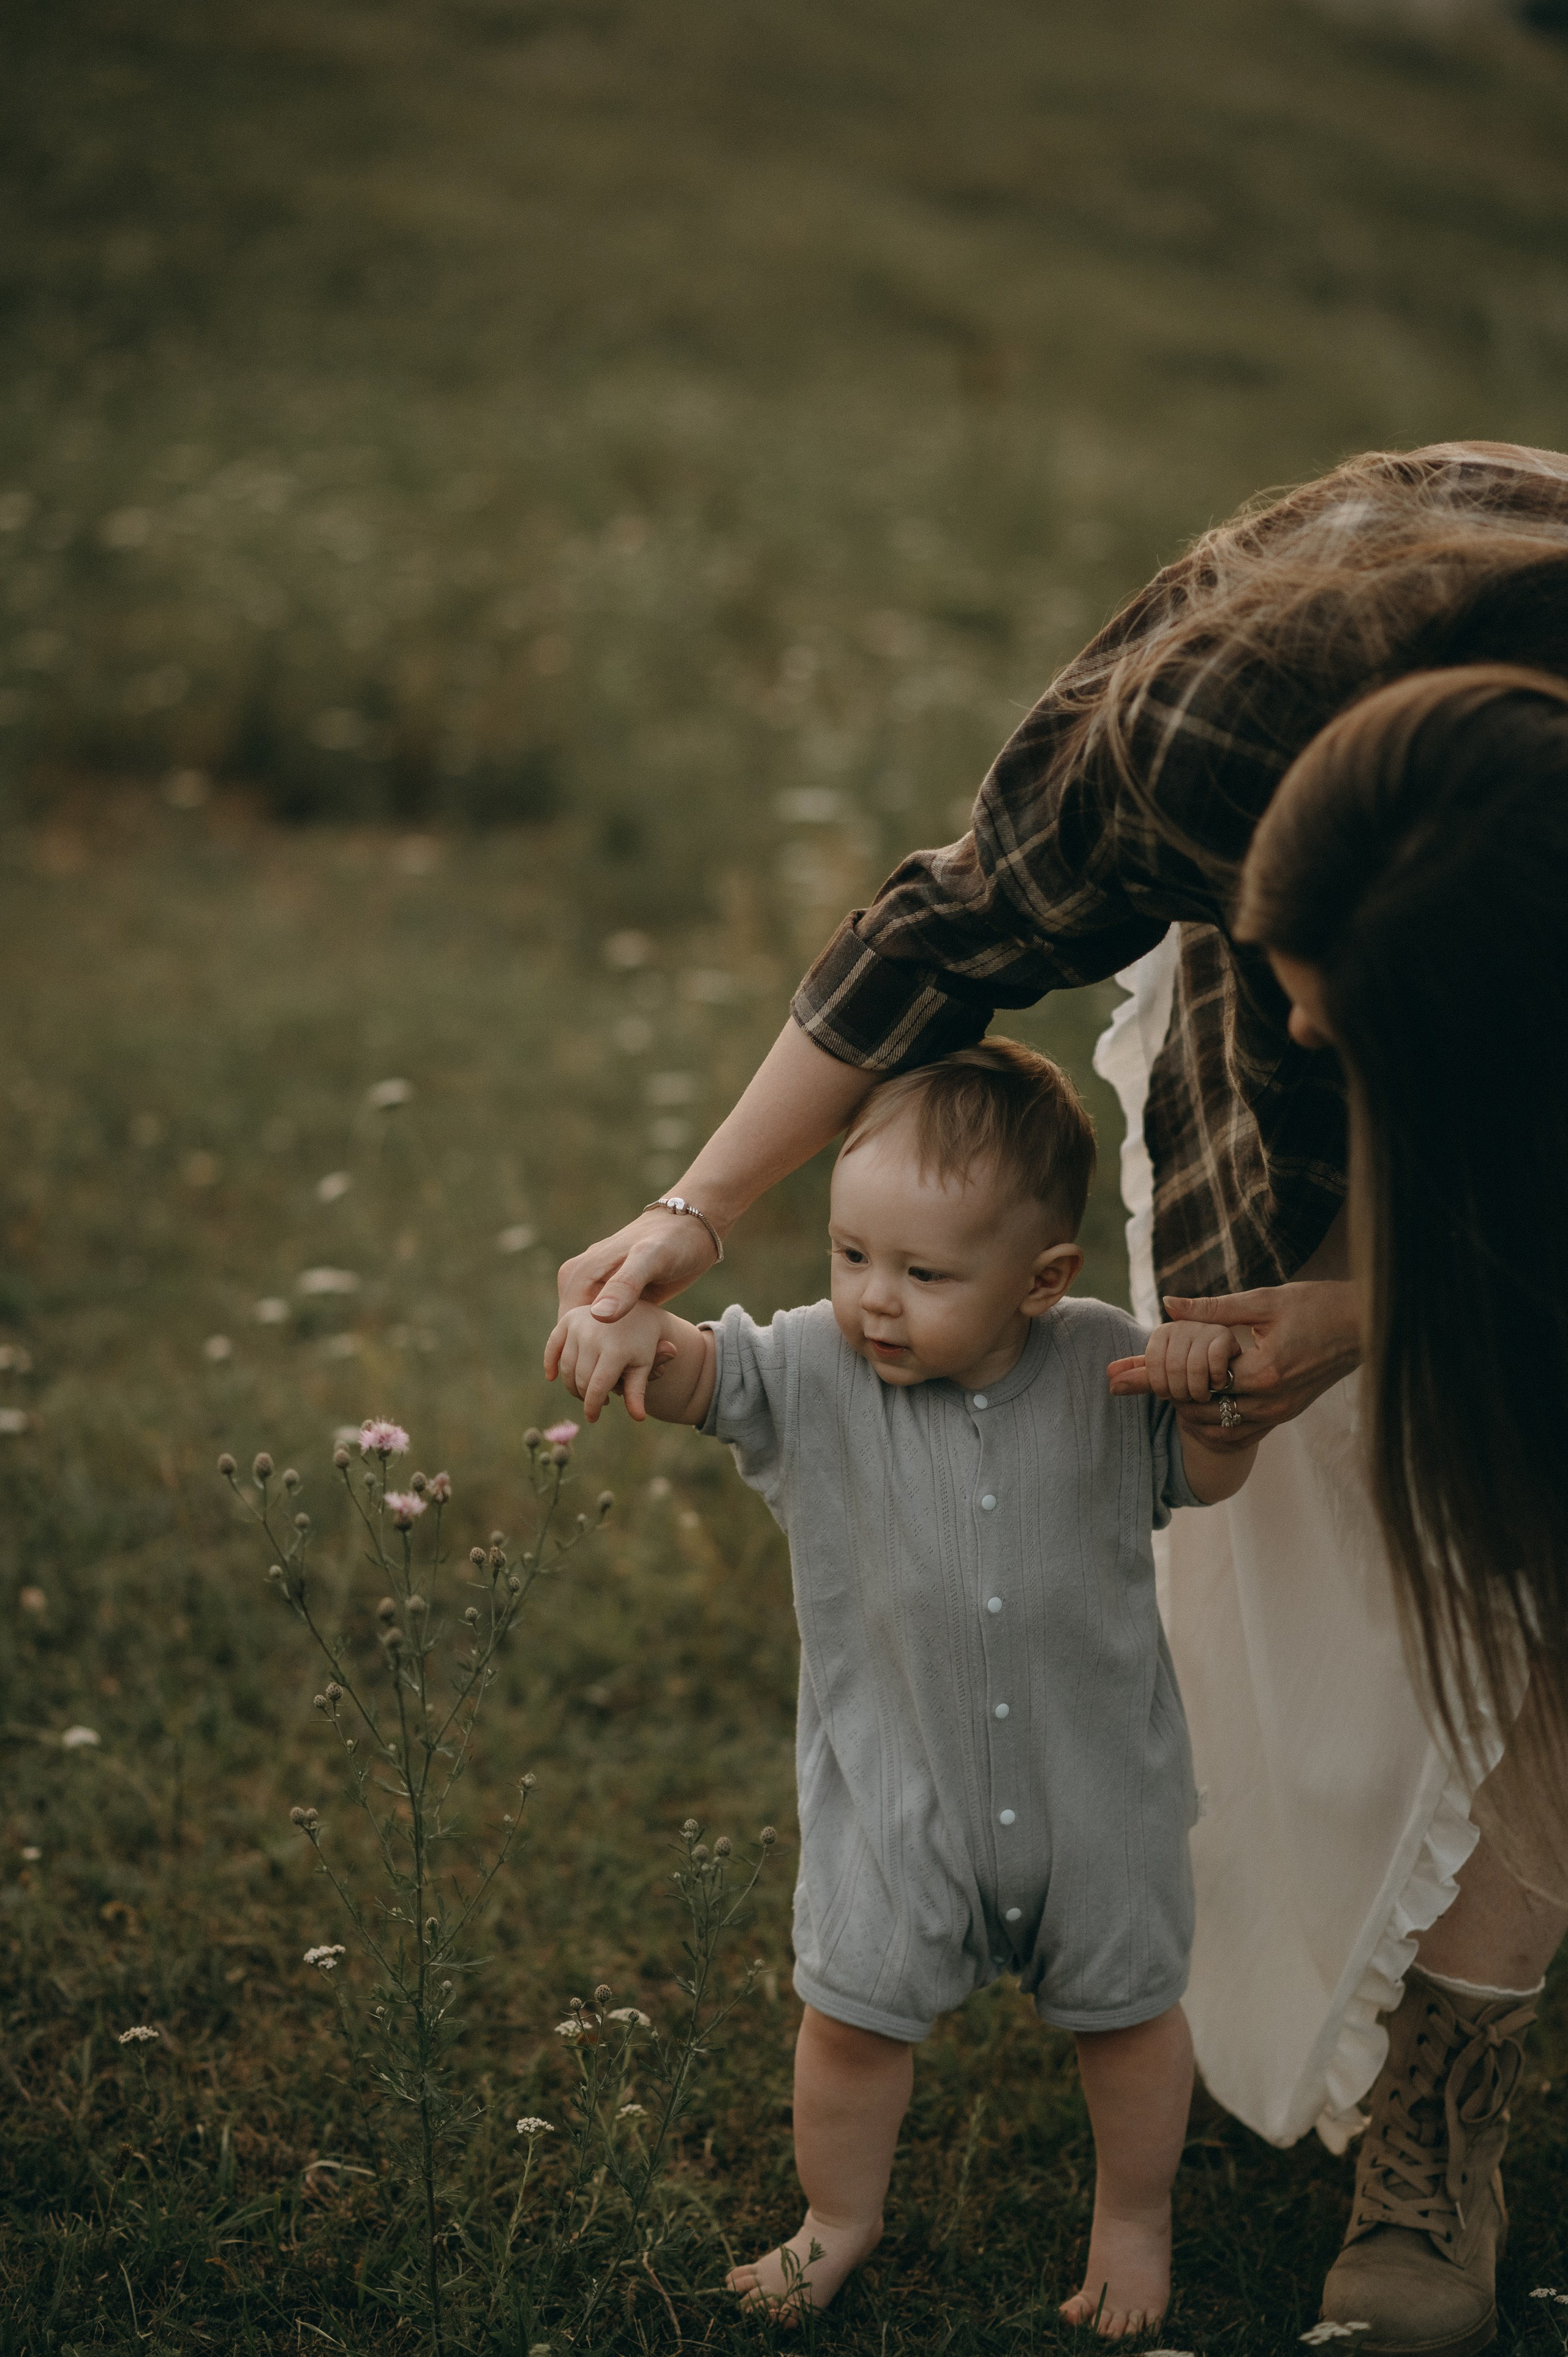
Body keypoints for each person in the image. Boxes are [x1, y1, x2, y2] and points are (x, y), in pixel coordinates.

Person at [557, 440, 1568, 2356]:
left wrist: (1386, 1306)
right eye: (1278, 977)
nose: (1299, 1033)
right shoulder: (1223, 724)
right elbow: (957, 923)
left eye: (1345, 1024)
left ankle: (1447, 2104)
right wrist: (699, 1212)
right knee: (1303, 1524)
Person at [548, 1039, 1259, 2334]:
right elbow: (705, 1374)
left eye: (924, 1273)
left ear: (1042, 1280)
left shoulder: (1104, 1364)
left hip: (1092, 1785)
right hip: (894, 1785)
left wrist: (1225, 1412)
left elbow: (1204, 1478)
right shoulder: (813, 1367)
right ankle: (837, 2216)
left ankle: (1132, 2217)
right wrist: (632, 1329)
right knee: (850, 2019)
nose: (874, 1298)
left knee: (1130, 2016)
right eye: (849, 1253)